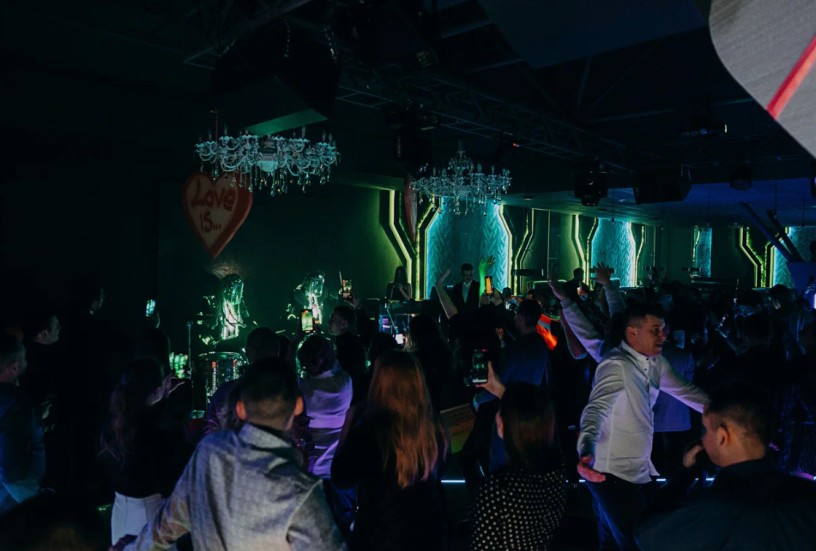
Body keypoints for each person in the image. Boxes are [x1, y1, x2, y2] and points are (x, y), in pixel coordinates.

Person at [114, 357, 346, 551]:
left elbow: (168, 524)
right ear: (298, 405)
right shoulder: (300, 490)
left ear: (241, 409)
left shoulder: (209, 450)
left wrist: (130, 548)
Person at [577, 303, 708, 551]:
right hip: (609, 473)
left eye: (663, 329)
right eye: (655, 330)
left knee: (613, 543)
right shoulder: (616, 365)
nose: (663, 335)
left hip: (633, 471)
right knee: (637, 543)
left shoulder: (656, 362)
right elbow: (595, 409)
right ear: (632, 333)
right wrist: (586, 448)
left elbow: (685, 391)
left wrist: (724, 414)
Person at [636, 382, 816, 550]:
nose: (703, 439)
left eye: (706, 430)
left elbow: (647, 534)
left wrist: (684, 476)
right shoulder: (807, 496)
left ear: (723, 436)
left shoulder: (710, 510)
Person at [331, 350, 449, 551]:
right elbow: (441, 469)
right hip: (427, 531)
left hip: (380, 533)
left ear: (379, 382)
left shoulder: (370, 430)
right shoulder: (433, 425)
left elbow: (341, 477)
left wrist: (346, 428)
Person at [99, 359, 188, 546]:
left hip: (120, 509)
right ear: (156, 390)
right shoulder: (160, 431)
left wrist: (162, 397)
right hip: (149, 512)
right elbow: (169, 479)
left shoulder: (116, 421)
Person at [472, 381, 567, 551]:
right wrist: (500, 390)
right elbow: (530, 414)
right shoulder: (556, 473)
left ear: (504, 425)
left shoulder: (498, 489)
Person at [296, 334, 354, 537]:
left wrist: (294, 343)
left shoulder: (302, 388)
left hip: (311, 471)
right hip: (338, 470)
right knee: (342, 530)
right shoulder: (345, 382)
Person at [0, 335, 44, 515]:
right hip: (11, 501)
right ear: (13, 368)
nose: (27, 363)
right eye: (24, 359)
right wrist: (36, 502)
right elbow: (12, 469)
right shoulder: (16, 406)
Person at [329, 305, 367, 405]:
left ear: (343, 323)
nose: (329, 322)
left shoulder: (347, 345)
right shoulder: (350, 341)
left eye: (333, 319)